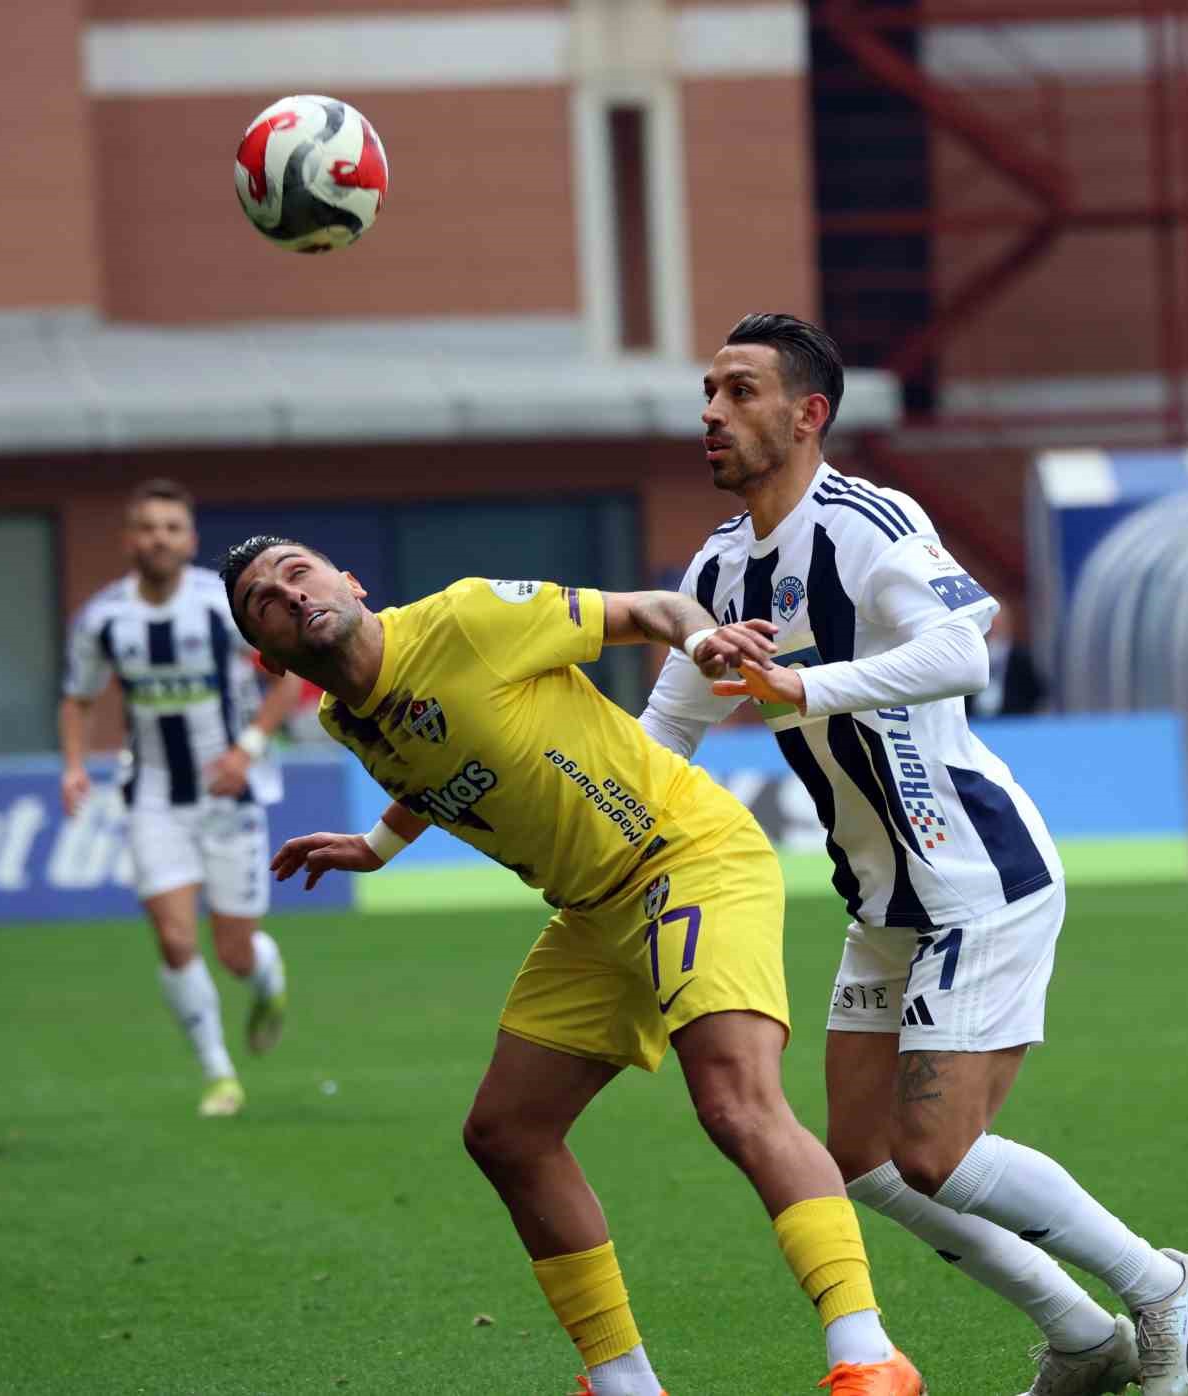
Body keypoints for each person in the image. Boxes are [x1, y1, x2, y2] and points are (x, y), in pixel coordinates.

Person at [639, 313, 1188, 1396]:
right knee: (857, 1158)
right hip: (881, 903)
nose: (712, 412)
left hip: (974, 878)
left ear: (808, 414)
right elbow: (661, 739)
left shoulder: (864, 521)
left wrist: (801, 685)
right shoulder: (720, 569)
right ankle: (1082, 1334)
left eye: (740, 391)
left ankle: (1159, 1286)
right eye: (708, 391)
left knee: (934, 1151)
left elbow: (964, 646)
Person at [219, 536, 927, 1396]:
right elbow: (440, 754)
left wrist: (701, 642)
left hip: (684, 853)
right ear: (267, 655)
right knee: (506, 1133)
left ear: (351, 582)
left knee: (736, 1101)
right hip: (595, 912)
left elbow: (647, 611)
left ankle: (868, 1356)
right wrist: (377, 845)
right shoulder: (345, 718)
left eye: (298, 573)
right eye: (264, 600)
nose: (289, 595)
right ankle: (623, 1383)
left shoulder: (469, 617)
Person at [59, 479, 305, 1118]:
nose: (158, 538)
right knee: (173, 939)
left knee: (233, 952)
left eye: (171, 527)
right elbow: (79, 696)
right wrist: (74, 767)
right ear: (128, 540)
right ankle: (219, 1075)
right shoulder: (104, 617)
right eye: (146, 527)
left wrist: (246, 748)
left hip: (231, 792)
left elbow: (291, 673)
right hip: (153, 797)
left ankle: (265, 973)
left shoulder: (222, 605)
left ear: (189, 540)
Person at [968, 603, 1046, 720]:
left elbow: (1037, 693)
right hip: (975, 722)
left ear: (1007, 625)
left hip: (1013, 723)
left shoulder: (1022, 659)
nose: (994, 630)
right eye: (991, 625)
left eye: (998, 625)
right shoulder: (971, 657)